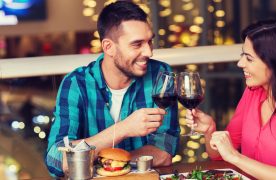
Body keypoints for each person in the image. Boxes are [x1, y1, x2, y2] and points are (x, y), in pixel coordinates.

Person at [45, 1, 179, 177]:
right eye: (137, 44)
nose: (148, 52)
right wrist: (122, 129)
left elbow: (164, 152)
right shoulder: (76, 84)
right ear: (108, 47)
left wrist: (111, 164)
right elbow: (56, 160)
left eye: (149, 41)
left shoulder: (161, 75)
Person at [186, 20, 276, 179]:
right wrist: (210, 131)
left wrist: (236, 157)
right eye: (242, 55)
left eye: (249, 59)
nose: (240, 63)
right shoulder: (253, 92)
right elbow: (220, 156)